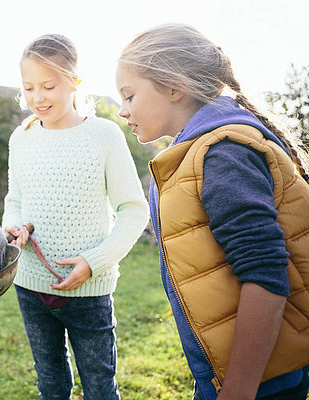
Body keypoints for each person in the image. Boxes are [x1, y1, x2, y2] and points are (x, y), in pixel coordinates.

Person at [115, 23, 309, 400]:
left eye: (129, 96)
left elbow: (264, 273)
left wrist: (239, 387)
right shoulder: (197, 151)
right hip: (238, 371)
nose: (123, 110)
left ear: (173, 86)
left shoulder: (223, 153)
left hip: (261, 379)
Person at [2, 33, 149, 400]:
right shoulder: (21, 138)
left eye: (48, 86)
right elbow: (14, 198)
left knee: (100, 389)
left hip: (90, 291)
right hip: (31, 286)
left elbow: (133, 210)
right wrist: (13, 224)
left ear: (75, 82)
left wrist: (93, 262)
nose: (37, 97)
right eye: (29, 87)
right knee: (51, 386)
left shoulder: (104, 136)